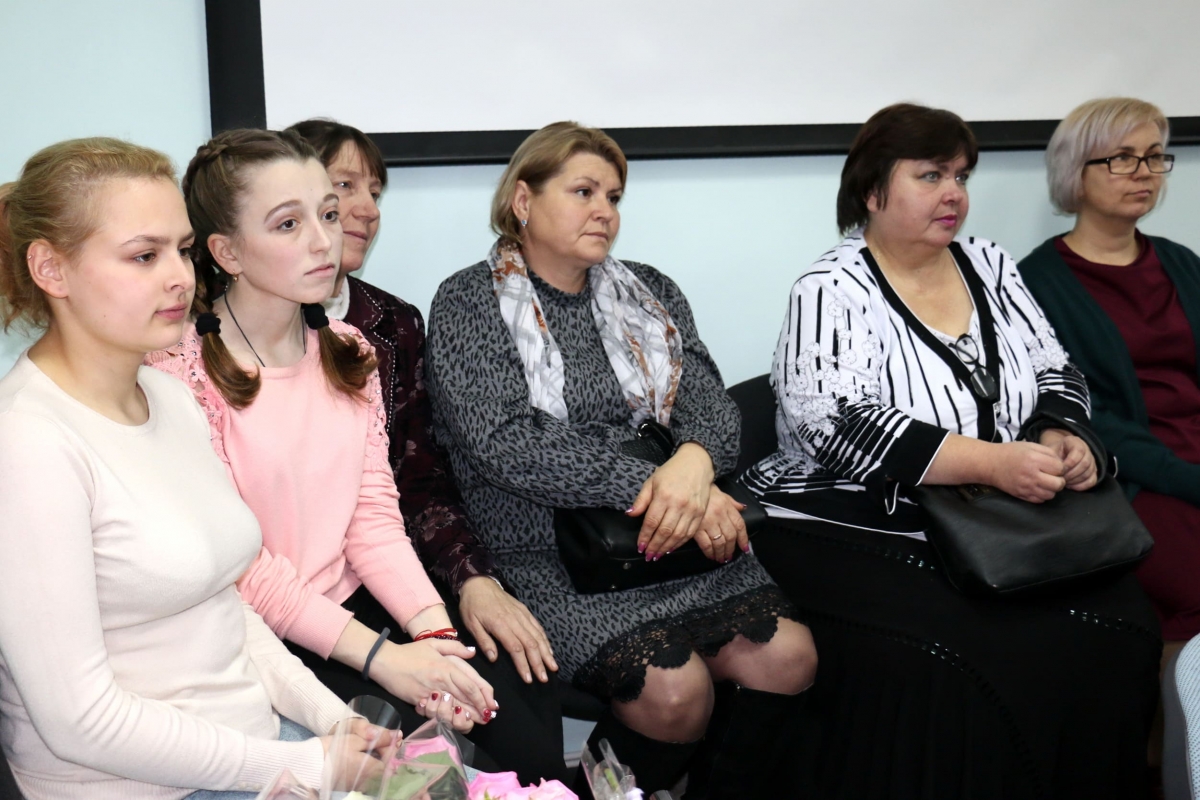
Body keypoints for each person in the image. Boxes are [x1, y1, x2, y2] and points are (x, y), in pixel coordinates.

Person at [741, 103, 1161, 799]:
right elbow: (835, 426)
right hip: (856, 519)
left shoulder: (988, 263)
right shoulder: (831, 288)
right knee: (985, 651)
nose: (954, 195)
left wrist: (1061, 433)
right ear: (872, 189)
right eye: (931, 175)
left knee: (1124, 623)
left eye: (961, 176)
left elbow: (1054, 369)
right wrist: (992, 463)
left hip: (993, 511)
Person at [425, 121, 816, 799]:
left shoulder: (648, 289)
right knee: (673, 693)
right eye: (583, 191)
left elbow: (712, 407)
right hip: (549, 554)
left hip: (675, 542)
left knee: (790, 659)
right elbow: (506, 444)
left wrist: (695, 464)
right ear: (524, 199)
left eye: (613, 196)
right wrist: (664, 484)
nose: (605, 210)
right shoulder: (468, 300)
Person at [0, 138, 389, 800]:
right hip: (138, 786)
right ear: (51, 269)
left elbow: (223, 608)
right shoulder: (28, 444)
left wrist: (334, 721)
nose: (180, 276)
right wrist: (305, 765)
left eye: (181, 250)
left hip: (258, 749)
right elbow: (79, 721)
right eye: (144, 256)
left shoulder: (171, 397)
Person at [145, 129, 501, 764]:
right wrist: (387, 660)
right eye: (289, 224)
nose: (323, 240)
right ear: (227, 252)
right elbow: (242, 569)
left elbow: (373, 517)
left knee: (514, 730)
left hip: (354, 604)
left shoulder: (349, 348)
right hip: (262, 638)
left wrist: (434, 637)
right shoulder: (176, 371)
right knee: (440, 768)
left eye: (328, 215)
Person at [286, 117, 569, 782]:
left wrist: (472, 580)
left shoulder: (391, 324)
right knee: (445, 761)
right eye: (343, 188)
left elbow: (417, 481)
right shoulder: (206, 345)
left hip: (395, 567)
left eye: (375, 192)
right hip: (299, 602)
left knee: (525, 726)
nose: (365, 210)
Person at [1018, 98, 1199, 656]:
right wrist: (1185, 478)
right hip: (1132, 477)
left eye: (1154, 156)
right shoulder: (1036, 283)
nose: (1144, 172)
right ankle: (1174, 713)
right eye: (1122, 158)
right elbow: (1082, 414)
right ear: (1076, 170)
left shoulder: (1181, 262)